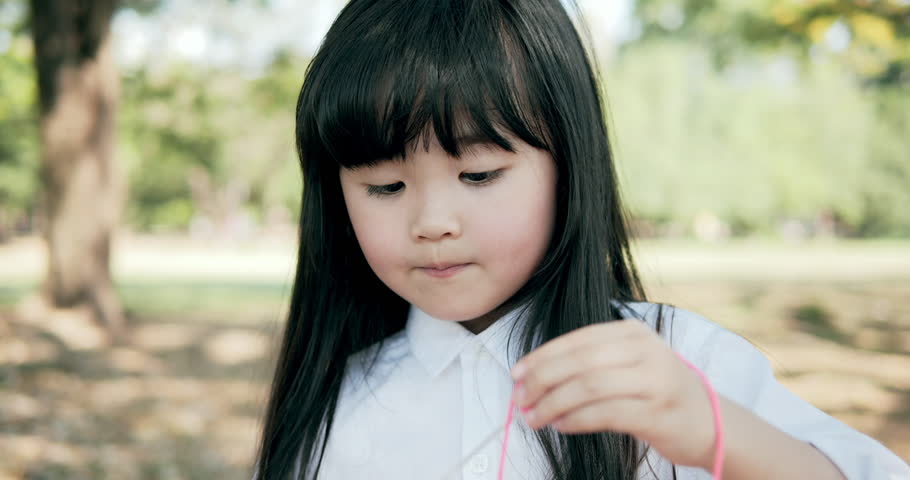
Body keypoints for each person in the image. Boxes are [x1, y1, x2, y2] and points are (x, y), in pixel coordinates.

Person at [252, 0, 910, 478]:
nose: (432, 221)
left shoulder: (675, 363)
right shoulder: (337, 402)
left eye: (478, 174)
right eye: (385, 188)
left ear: (572, 163)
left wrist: (712, 431)